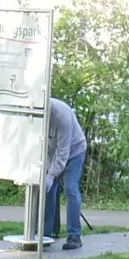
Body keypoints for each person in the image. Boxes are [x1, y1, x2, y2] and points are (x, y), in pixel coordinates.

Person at [43, 96, 88, 250]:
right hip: (52, 154)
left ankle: (74, 236)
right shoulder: (35, 112)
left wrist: (51, 175)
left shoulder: (62, 116)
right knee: (48, 191)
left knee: (70, 188)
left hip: (74, 151)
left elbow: (63, 152)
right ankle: (45, 233)